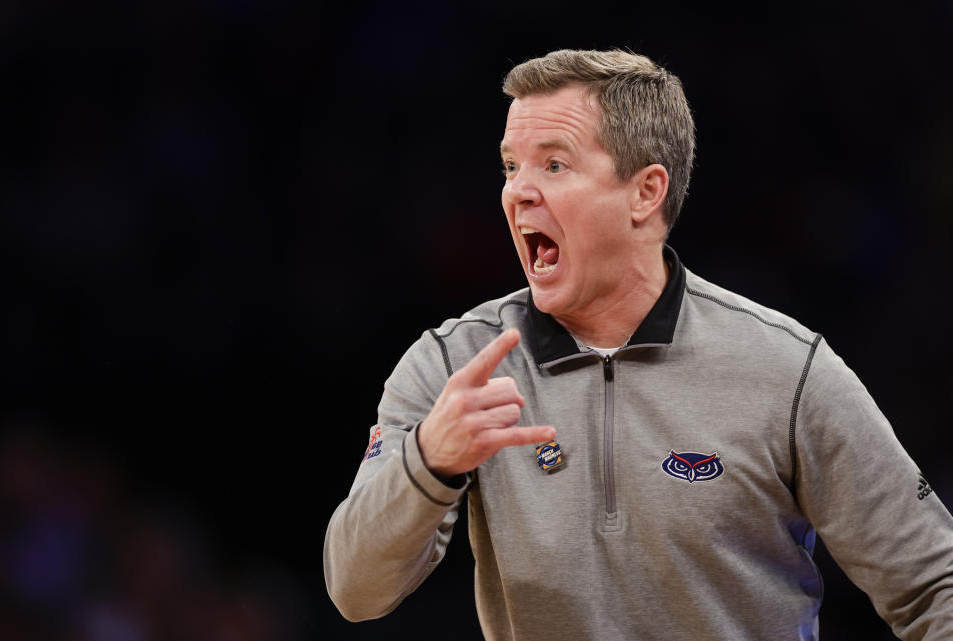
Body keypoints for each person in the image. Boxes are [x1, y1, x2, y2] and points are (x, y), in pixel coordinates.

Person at [323, 49, 953, 640]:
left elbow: (935, 583)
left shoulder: (784, 369)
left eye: (554, 163)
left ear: (646, 192)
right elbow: (354, 591)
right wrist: (428, 462)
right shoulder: (454, 365)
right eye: (511, 166)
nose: (517, 191)